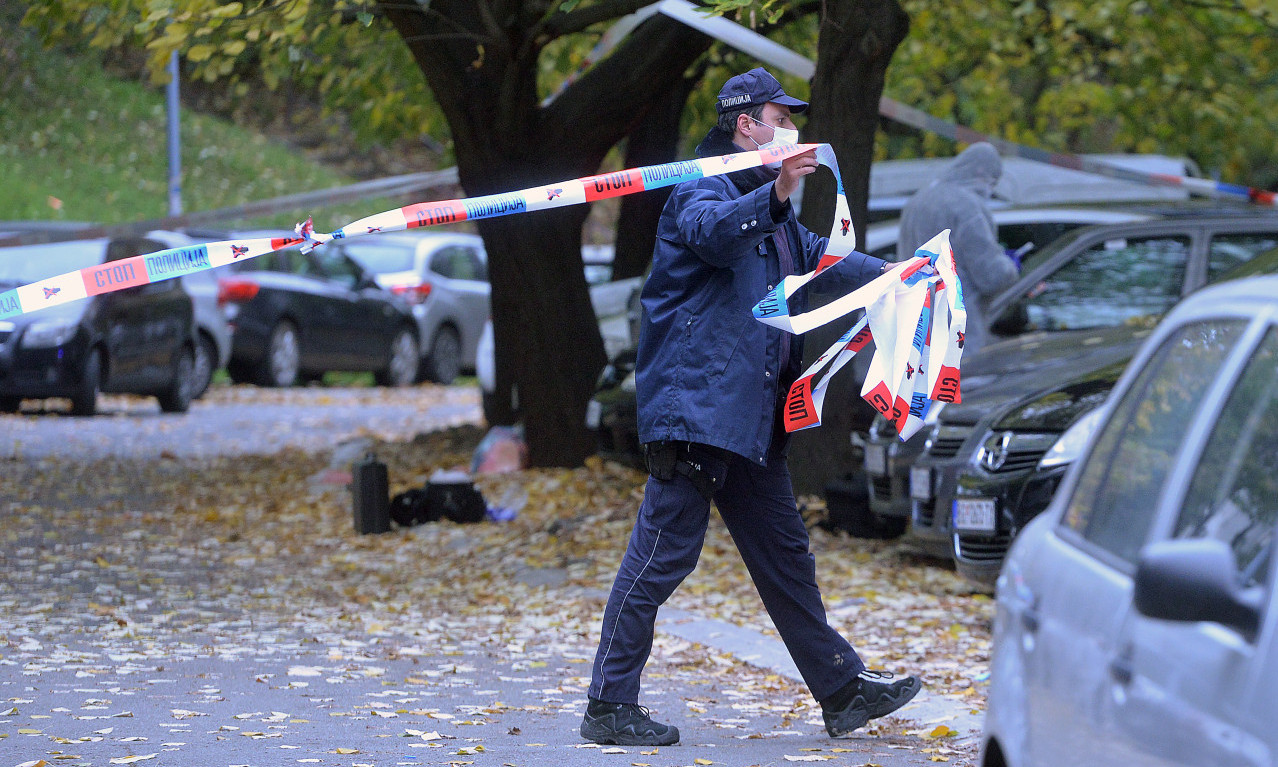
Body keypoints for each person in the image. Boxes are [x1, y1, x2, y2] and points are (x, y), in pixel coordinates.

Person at [580, 67, 921, 748]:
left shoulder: (772, 215)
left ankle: (842, 688)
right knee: (661, 557)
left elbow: (821, 260)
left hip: (748, 421)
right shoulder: (697, 190)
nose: (791, 126)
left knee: (787, 557)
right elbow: (713, 234)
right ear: (746, 124)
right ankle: (607, 705)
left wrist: (894, 276)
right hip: (697, 414)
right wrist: (778, 189)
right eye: (779, 115)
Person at [895, 142, 1020, 353]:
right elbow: (991, 276)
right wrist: (1010, 266)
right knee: (959, 385)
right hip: (958, 330)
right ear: (981, 172)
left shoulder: (918, 200)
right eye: (992, 181)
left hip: (913, 326)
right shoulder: (967, 206)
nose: (990, 189)